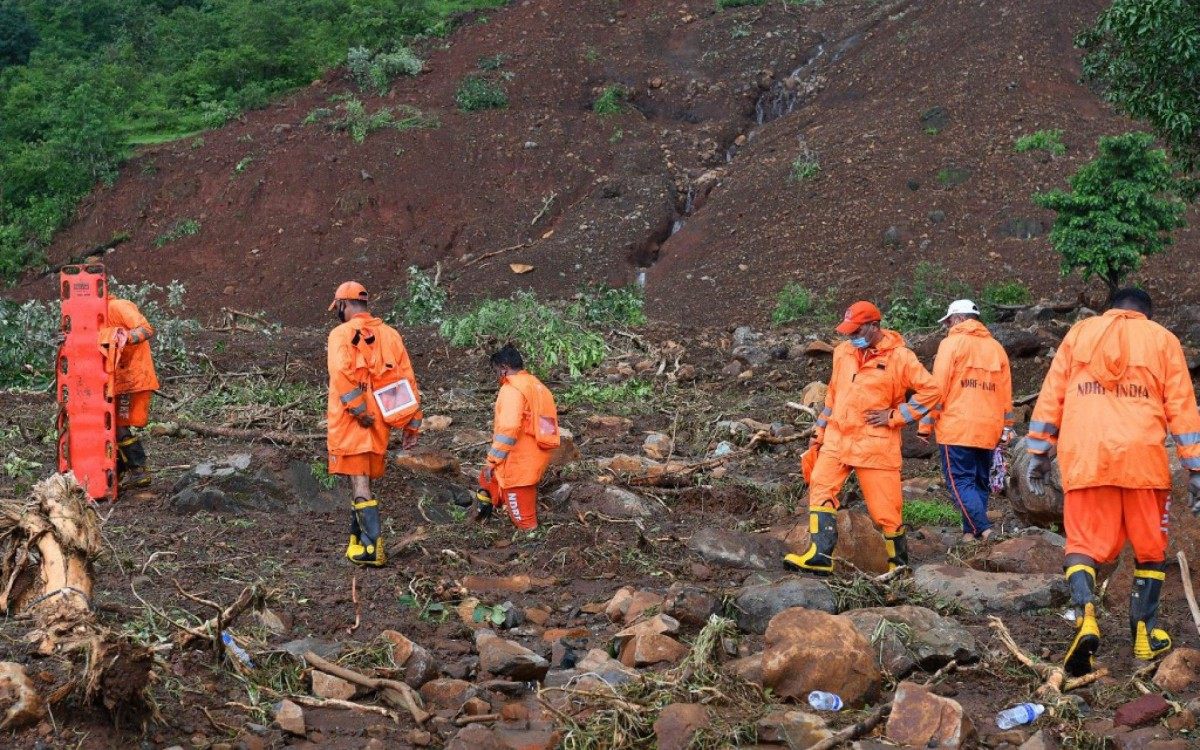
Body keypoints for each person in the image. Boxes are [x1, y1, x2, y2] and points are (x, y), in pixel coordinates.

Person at [1026, 288, 1200, 676]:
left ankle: (1086, 616)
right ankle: (1144, 633)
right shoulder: (1162, 340)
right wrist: (1196, 469)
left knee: (1082, 545)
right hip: (1143, 461)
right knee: (1151, 549)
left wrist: (1039, 451)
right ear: (1146, 315)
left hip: (1086, 457)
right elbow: (1182, 406)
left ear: (1111, 311)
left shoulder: (1079, 334)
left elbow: (1052, 394)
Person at [785, 301, 940, 574]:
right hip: (837, 438)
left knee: (886, 511)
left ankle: (898, 566)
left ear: (874, 326)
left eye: (856, 330)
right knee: (820, 486)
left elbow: (932, 391)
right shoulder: (843, 352)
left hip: (875, 444)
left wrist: (895, 415)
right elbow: (833, 395)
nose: (849, 336)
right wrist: (819, 432)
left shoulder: (901, 357)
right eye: (847, 330)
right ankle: (820, 556)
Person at [326, 281, 422, 566]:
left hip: (354, 422)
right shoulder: (391, 335)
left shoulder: (340, 334)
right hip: (380, 422)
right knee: (362, 479)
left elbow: (340, 374)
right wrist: (411, 424)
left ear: (344, 304)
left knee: (359, 482)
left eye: (338, 308)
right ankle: (357, 542)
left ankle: (372, 549)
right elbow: (407, 379)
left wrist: (357, 409)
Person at [918, 299, 1014, 543]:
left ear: (959, 319)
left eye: (948, 321)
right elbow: (1006, 394)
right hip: (988, 429)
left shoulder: (951, 344)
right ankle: (970, 534)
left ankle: (984, 529)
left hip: (957, 428)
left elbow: (936, 390)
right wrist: (1007, 428)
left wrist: (926, 425)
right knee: (979, 482)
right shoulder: (996, 348)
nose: (947, 326)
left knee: (959, 481)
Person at [475, 344, 557, 530]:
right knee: (487, 480)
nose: (497, 376)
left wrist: (492, 460)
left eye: (496, 371)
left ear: (504, 367)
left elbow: (509, 428)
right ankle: (484, 515)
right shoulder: (537, 386)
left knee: (525, 522)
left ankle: (530, 540)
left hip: (519, 462)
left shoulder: (512, 389)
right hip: (535, 454)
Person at [106, 296, 159, 489]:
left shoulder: (118, 306)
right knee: (109, 425)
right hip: (115, 379)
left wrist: (126, 337)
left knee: (119, 424)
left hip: (132, 377)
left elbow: (146, 329)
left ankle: (138, 469)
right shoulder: (90, 317)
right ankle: (118, 471)